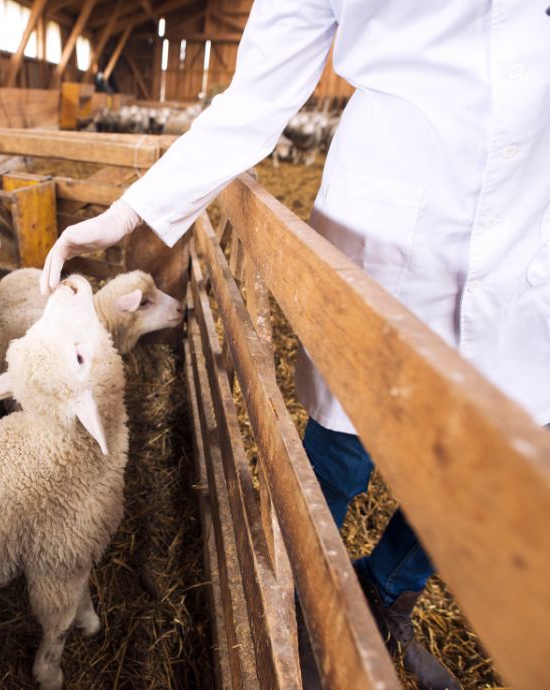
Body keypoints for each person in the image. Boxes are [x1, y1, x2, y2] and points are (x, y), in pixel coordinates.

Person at [39, 1, 550, 688]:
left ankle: (386, 590)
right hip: (393, 231)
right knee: (341, 454)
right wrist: (131, 209)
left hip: (531, 228)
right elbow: (257, 93)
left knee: (488, 469)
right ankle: (307, 611)